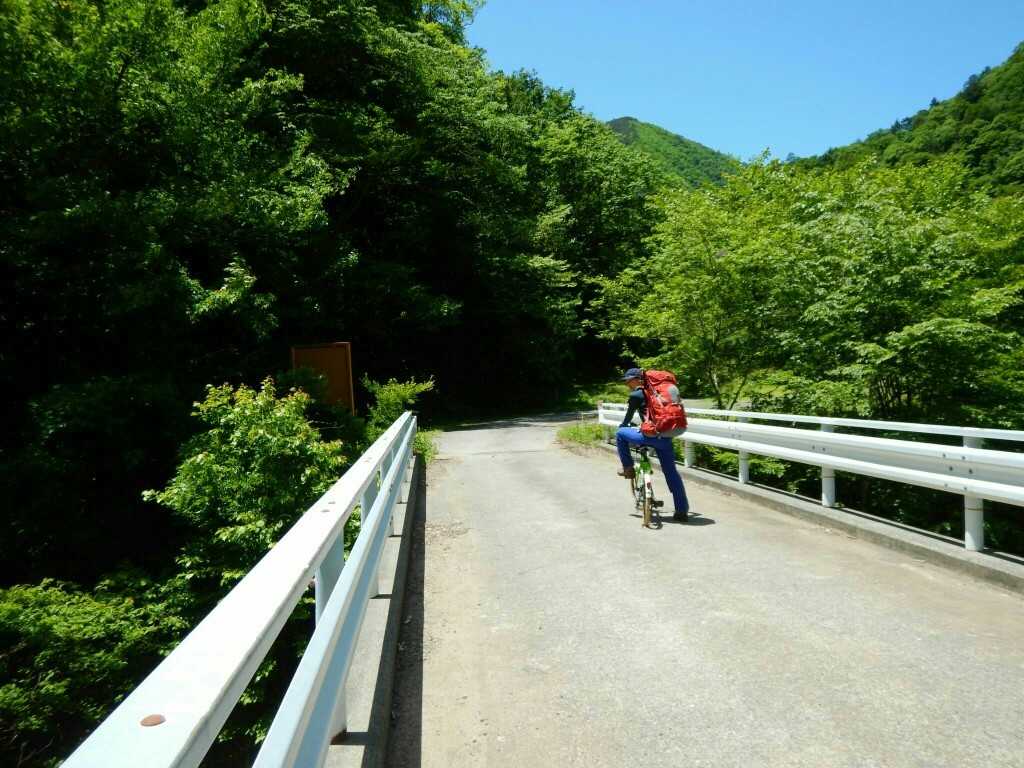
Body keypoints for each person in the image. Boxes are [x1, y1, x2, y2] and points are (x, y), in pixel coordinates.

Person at [615, 367, 690, 522]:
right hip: (665, 437)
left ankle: (628, 468)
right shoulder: (660, 392)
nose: (627, 384)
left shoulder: (637, 394)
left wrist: (624, 426)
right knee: (671, 473)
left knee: (620, 434)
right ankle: (682, 510)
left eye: (628, 381)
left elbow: (627, 419)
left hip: (650, 435)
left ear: (638, 379)